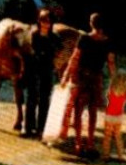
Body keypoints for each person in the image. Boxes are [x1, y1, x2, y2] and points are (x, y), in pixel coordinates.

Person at [62, 13, 116, 156]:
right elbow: (111, 63)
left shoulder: (85, 38)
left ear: (91, 24)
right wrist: (114, 81)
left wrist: (66, 75)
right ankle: (91, 143)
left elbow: (75, 58)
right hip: (96, 78)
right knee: (93, 112)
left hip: (82, 77)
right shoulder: (107, 42)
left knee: (78, 110)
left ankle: (79, 143)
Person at [24, 9, 59, 140]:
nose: (45, 23)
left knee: (44, 100)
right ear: (39, 21)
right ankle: (28, 128)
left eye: (48, 21)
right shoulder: (34, 35)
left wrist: (56, 63)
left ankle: (41, 128)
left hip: (47, 70)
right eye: (43, 20)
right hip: (34, 70)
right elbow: (33, 51)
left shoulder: (55, 37)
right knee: (31, 98)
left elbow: (60, 51)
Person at [100, 68, 126, 163]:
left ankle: (106, 155)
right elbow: (124, 102)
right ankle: (120, 156)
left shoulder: (111, 90)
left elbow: (108, 98)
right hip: (119, 116)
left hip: (109, 115)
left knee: (107, 137)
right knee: (118, 137)